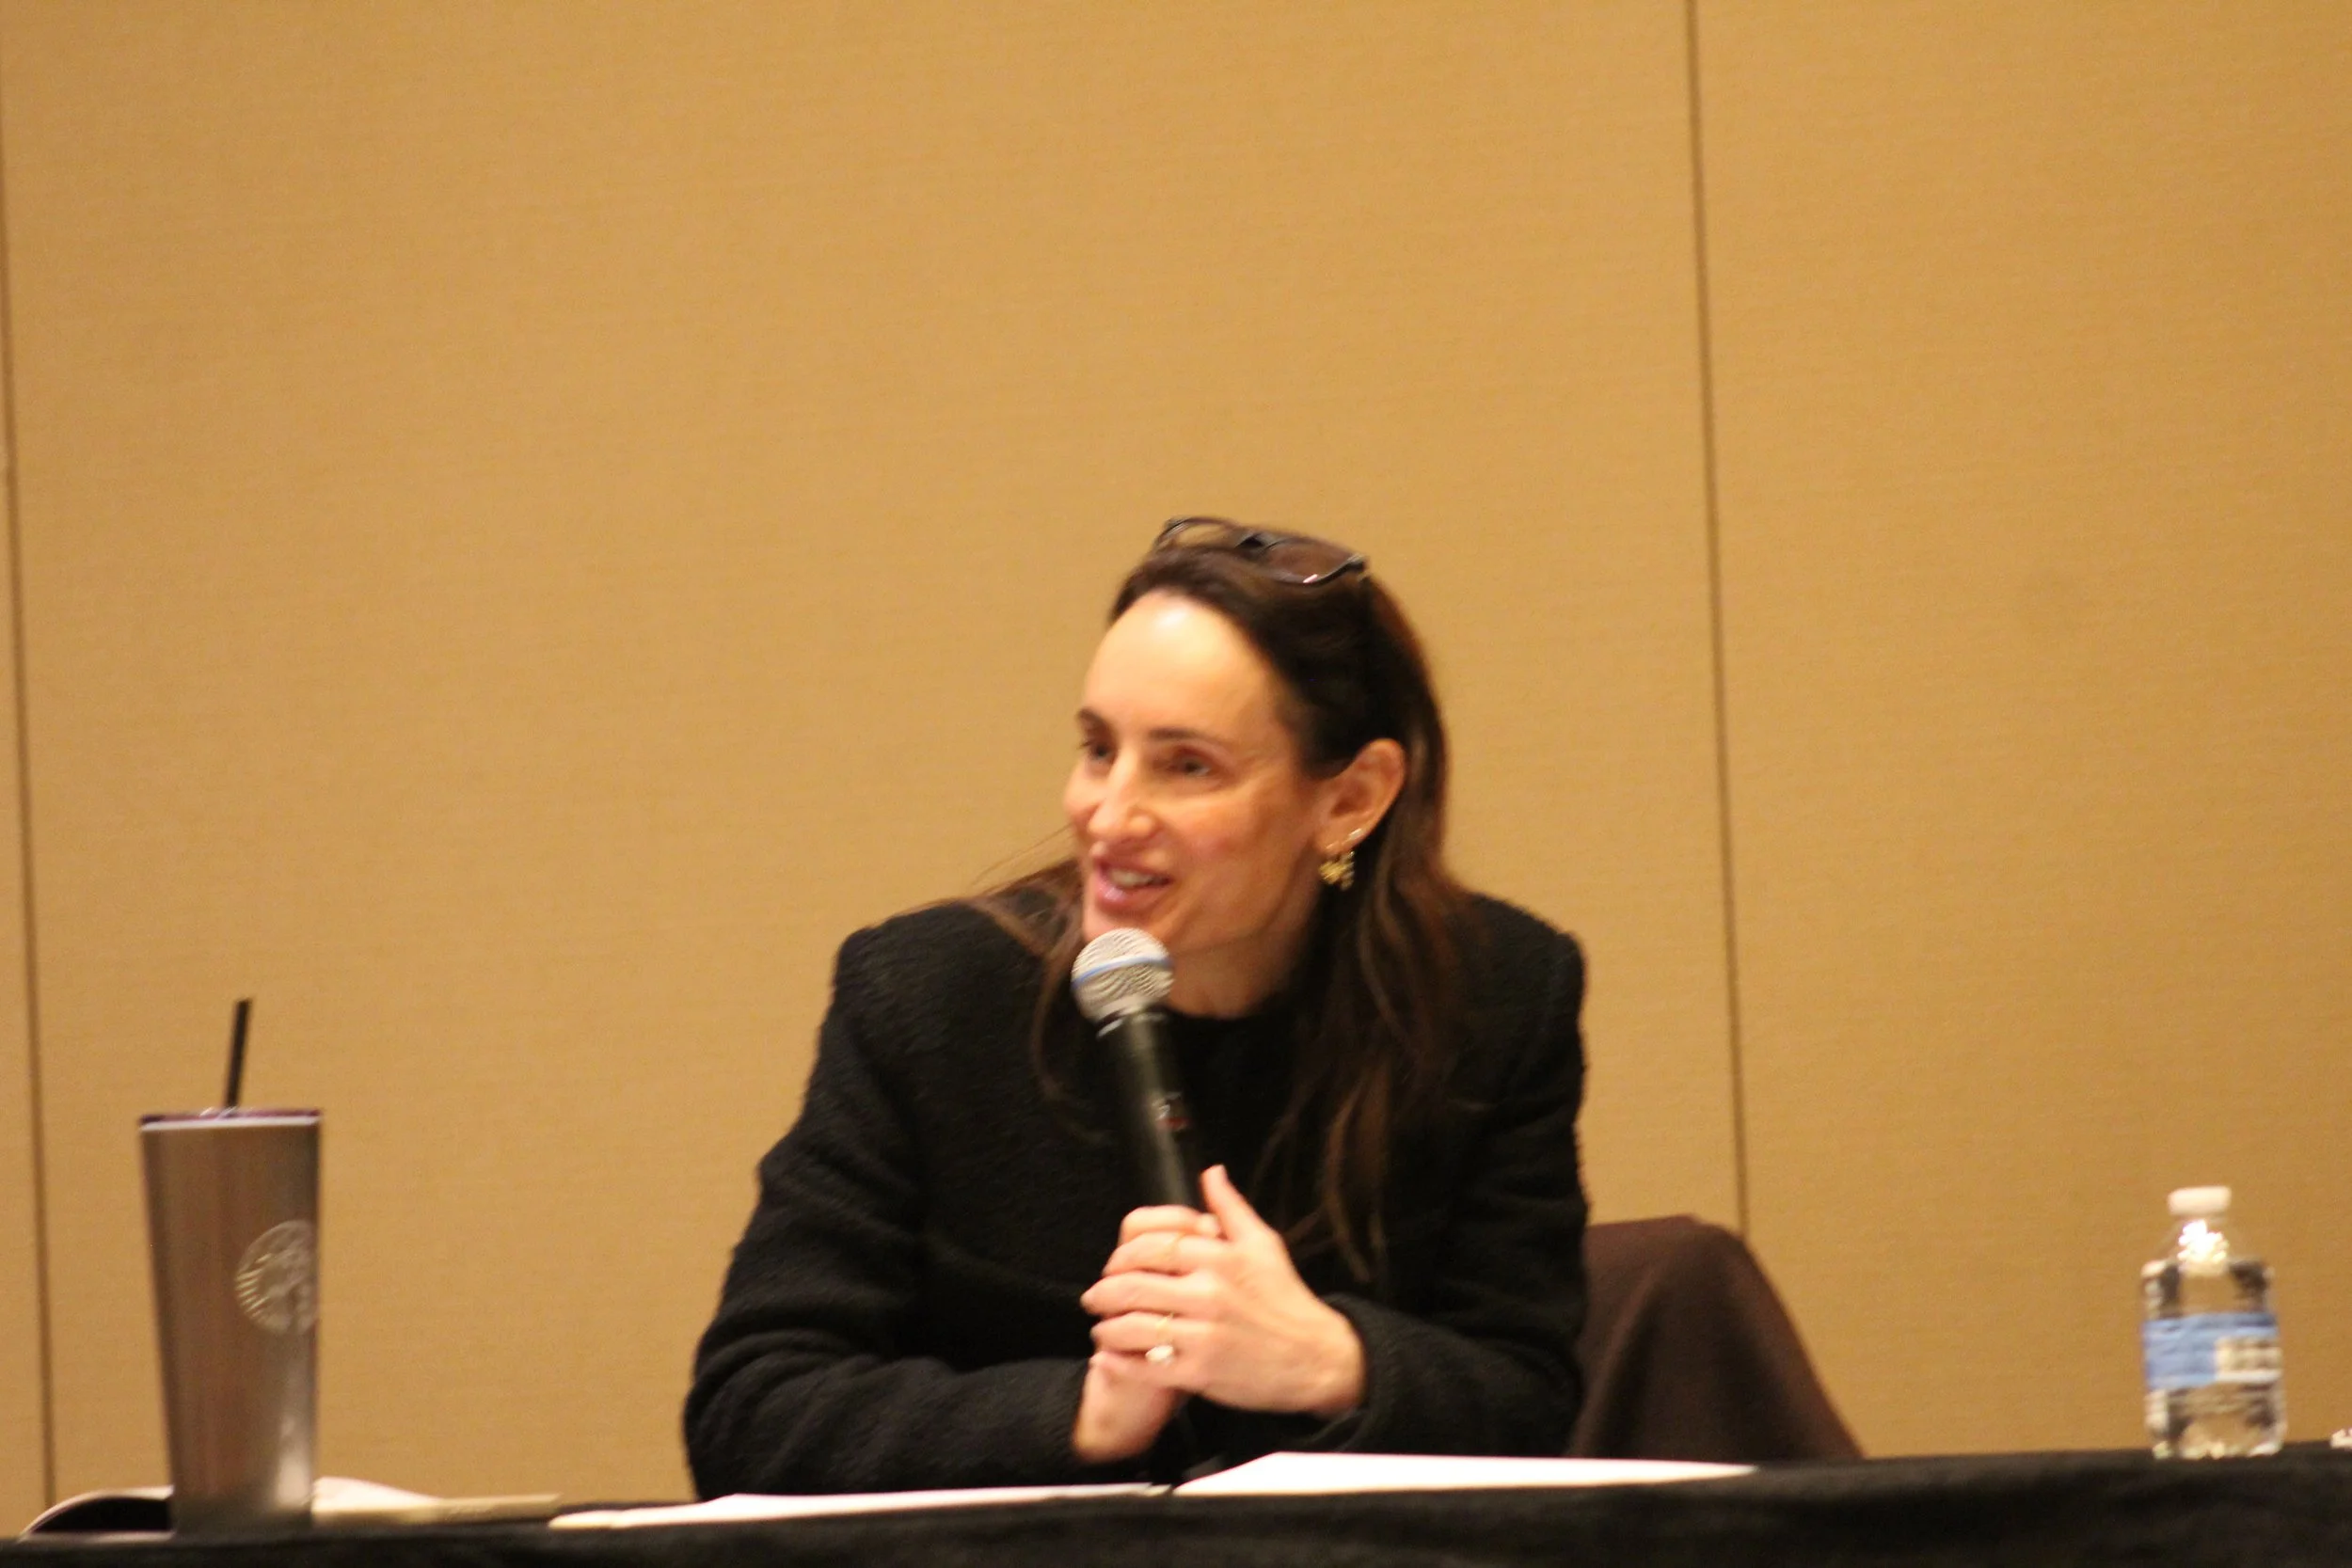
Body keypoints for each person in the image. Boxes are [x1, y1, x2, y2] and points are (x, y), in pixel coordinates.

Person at [685, 518, 1588, 1494]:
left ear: (1349, 799)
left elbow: (1530, 1395)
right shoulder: (928, 998)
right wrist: (1083, 1411)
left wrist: (1333, 1361)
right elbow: (751, 1409)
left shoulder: (1492, 998)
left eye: (1187, 765)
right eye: (1096, 749)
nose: (1108, 815)